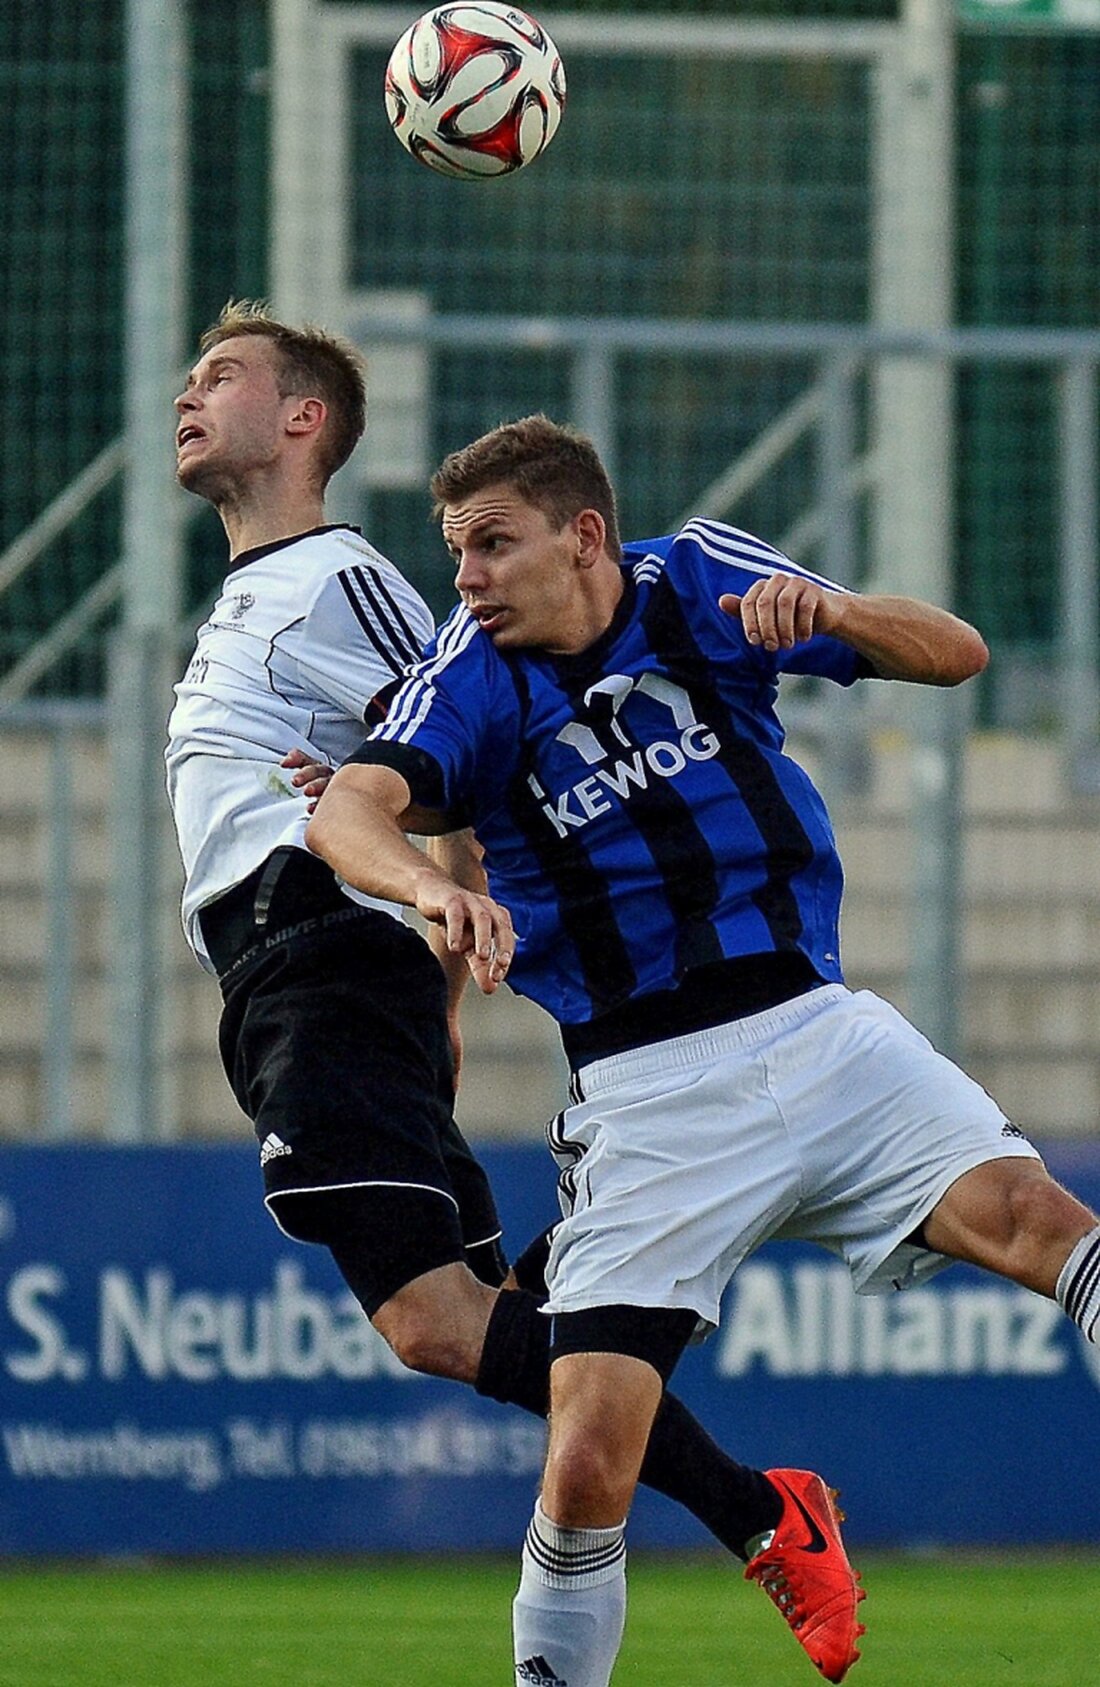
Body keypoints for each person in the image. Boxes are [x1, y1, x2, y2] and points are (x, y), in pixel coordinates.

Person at [305, 412, 1100, 1687]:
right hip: (646, 1091)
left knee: (1046, 1223)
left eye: (491, 547)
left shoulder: (699, 577)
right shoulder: (467, 674)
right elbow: (350, 807)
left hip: (821, 1032)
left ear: (584, 537)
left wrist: (828, 614)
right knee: (584, 1458)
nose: (465, 580)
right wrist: (426, 886)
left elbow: (954, 652)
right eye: (457, 553)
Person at [164, 306, 865, 1684]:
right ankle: (735, 1459)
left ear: (305, 420)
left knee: (432, 1319)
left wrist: (436, 921)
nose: (191, 393)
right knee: (485, 1310)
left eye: (224, 375)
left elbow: (477, 745)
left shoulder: (338, 576)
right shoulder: (256, 597)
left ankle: (750, 1500)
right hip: (286, 975)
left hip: (326, 960)